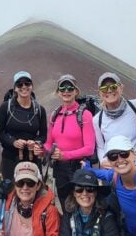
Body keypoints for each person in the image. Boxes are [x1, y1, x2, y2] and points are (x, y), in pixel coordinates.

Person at [35, 74, 95, 211]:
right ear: (58, 92)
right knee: (64, 206)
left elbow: (89, 149)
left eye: (70, 88)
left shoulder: (85, 115)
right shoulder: (55, 115)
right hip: (60, 169)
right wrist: (42, 150)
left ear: (76, 91)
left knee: (82, 207)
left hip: (78, 168)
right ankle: (67, 232)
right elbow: (49, 143)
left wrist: (65, 155)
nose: (66, 91)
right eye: (62, 88)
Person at [0, 162, 60, 236]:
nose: (25, 188)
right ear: (15, 184)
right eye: (20, 183)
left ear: (38, 185)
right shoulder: (4, 206)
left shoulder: (49, 211)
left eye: (30, 183)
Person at [0, 71, 47, 182]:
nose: (24, 87)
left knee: (33, 191)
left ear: (32, 86)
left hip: (32, 158)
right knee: (10, 192)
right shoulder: (6, 107)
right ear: (15, 88)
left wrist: (36, 143)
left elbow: (43, 135)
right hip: (10, 159)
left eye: (27, 83)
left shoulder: (39, 110)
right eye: (19, 84)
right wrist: (13, 142)